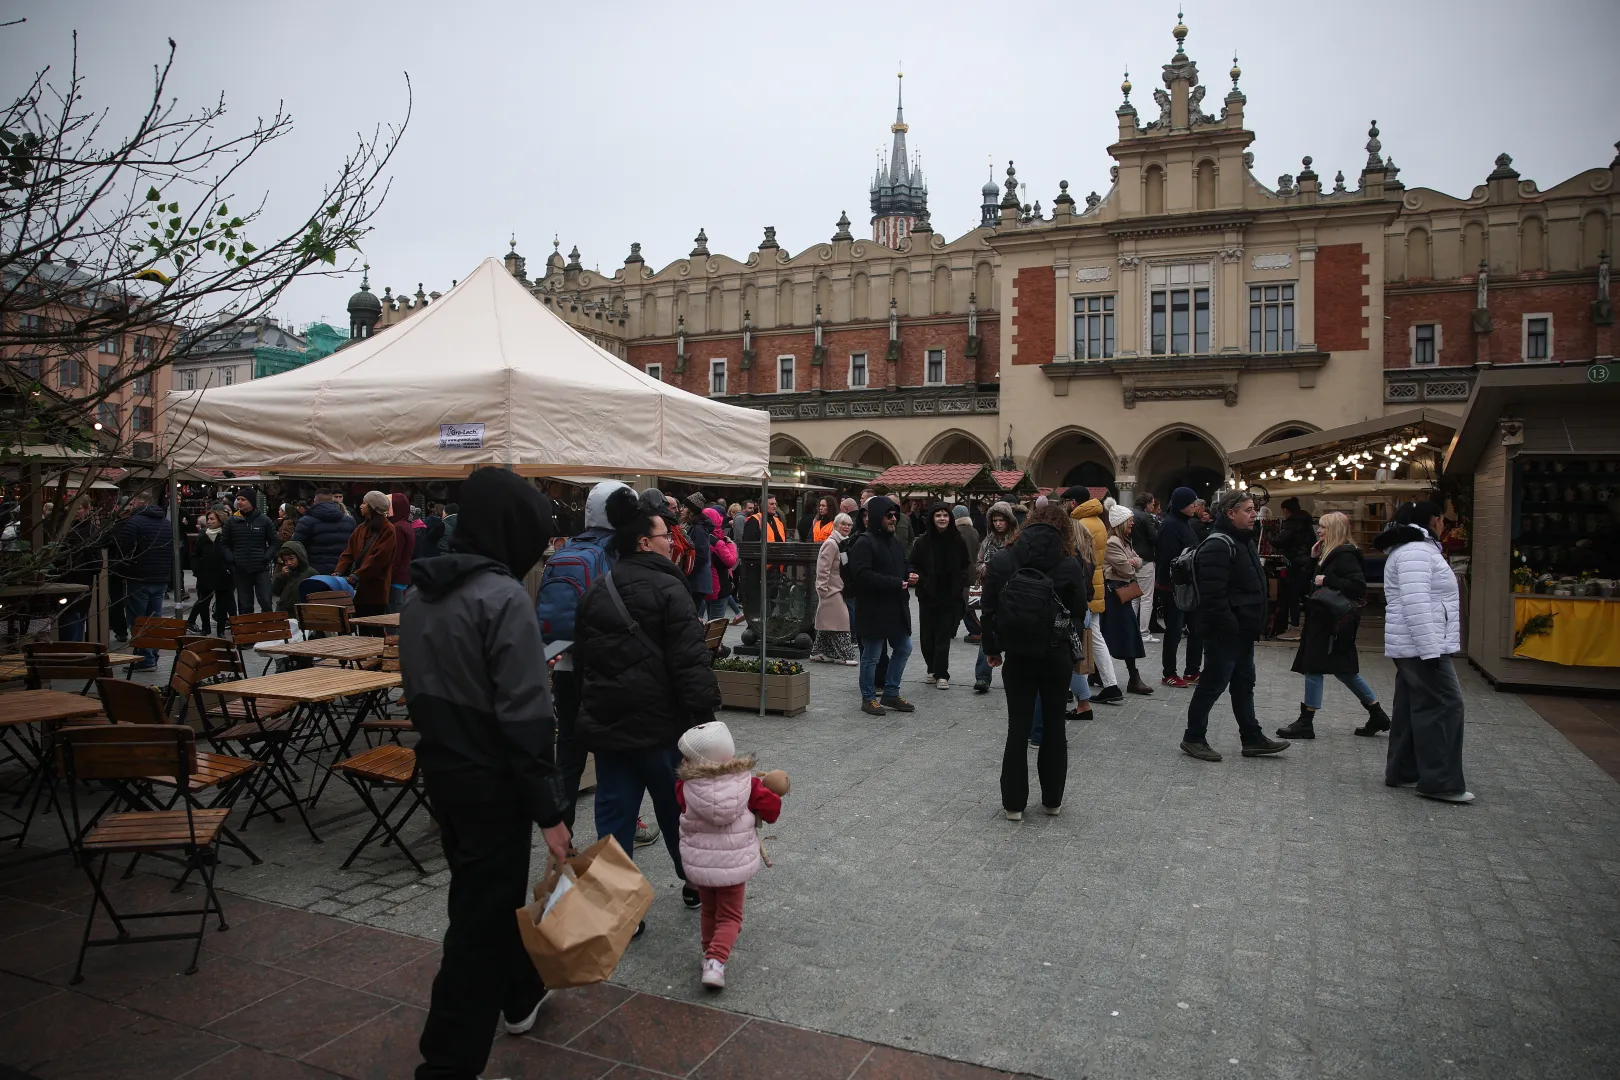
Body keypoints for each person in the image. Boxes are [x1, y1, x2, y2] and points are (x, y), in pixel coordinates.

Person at [398, 467, 573, 1080]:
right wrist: (550, 810)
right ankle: (446, 1063)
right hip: (493, 783)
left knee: (484, 897)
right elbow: (527, 717)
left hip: (443, 772)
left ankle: (520, 993)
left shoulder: (419, 595)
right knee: (478, 922)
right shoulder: (503, 599)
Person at [575, 486, 722, 909]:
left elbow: (584, 662)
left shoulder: (596, 590)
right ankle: (693, 881)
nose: (671, 543)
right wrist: (706, 722)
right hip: (663, 728)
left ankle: (618, 907)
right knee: (678, 810)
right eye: (664, 536)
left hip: (610, 729)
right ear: (644, 542)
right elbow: (690, 662)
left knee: (613, 817)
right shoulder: (671, 590)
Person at [981, 500, 1089, 820]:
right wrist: (1069, 642)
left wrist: (992, 648)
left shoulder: (1003, 558)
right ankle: (1052, 800)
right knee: (1055, 725)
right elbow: (1079, 612)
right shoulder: (1069, 563)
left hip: (1017, 653)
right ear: (1064, 529)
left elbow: (988, 609)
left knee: (1017, 727)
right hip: (1055, 654)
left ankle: (1014, 804)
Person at [1178, 490, 1290, 762]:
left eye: (1253, 510)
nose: (1254, 515)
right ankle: (1193, 737)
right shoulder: (1218, 545)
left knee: (1243, 684)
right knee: (1212, 684)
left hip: (1242, 631)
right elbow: (1213, 596)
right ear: (1231, 513)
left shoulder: (1243, 540)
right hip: (1225, 633)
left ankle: (1252, 737)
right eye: (1248, 510)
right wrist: (1230, 627)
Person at [1375, 500, 1471, 803]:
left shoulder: (1414, 549)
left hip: (1416, 644)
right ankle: (1440, 782)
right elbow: (1415, 604)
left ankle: (1404, 770)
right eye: (1442, 519)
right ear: (1433, 520)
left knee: (1412, 705)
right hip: (1422, 646)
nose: (1444, 524)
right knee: (1444, 706)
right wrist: (1430, 650)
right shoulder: (1417, 551)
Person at [674, 721, 782, 990]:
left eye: (686, 758)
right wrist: (772, 795)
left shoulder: (684, 787)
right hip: (733, 867)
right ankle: (715, 961)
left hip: (700, 866)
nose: (682, 762)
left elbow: (683, 805)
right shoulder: (749, 784)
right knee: (731, 917)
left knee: (709, 910)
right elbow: (771, 811)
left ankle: (707, 952)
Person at [1274, 512, 1390, 740]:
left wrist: (1327, 580)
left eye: (1324, 527)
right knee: (1343, 670)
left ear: (1335, 529)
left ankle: (1306, 722)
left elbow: (1357, 586)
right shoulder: (1331, 553)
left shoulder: (1344, 555)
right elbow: (1310, 584)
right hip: (1327, 621)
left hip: (1330, 623)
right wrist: (1313, 559)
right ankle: (1377, 713)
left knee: (1314, 666)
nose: (1319, 530)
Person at [847, 495, 916, 717]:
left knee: (904, 647)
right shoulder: (864, 542)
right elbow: (861, 575)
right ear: (878, 517)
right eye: (889, 515)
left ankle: (891, 693)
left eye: (895, 515)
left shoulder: (893, 540)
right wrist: (894, 583)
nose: (893, 519)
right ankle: (868, 698)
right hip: (873, 609)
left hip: (895, 607)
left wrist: (910, 573)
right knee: (872, 655)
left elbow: (903, 564)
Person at [1064, 488, 1123, 706]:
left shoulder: (1081, 524)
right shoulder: (1097, 520)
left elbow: (1078, 560)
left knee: (1078, 636)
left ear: (1073, 502)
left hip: (1085, 586)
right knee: (1094, 636)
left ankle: (1082, 686)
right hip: (1096, 584)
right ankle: (1109, 684)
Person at [909, 503, 970, 690]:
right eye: (938, 515)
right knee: (927, 636)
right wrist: (919, 579)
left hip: (949, 595)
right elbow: (913, 564)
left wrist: (960, 585)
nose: (942, 519)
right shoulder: (922, 542)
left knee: (943, 635)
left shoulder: (958, 540)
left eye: (945, 515)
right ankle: (931, 668)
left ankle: (942, 673)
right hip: (928, 594)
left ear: (950, 518)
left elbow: (965, 565)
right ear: (932, 518)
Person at [114, 492, 173, 670]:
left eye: (132, 503)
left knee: (138, 620)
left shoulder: (134, 523)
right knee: (154, 619)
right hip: (161, 577)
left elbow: (124, 551)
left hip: (138, 578)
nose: (130, 506)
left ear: (139, 502)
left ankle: (145, 658)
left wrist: (122, 573)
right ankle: (152, 654)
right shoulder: (166, 523)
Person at [1102, 502, 1153, 696]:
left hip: (1120, 593)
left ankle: (1100, 674)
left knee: (1117, 634)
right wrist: (1132, 563)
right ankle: (1133, 678)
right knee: (1123, 633)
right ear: (1120, 522)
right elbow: (1128, 569)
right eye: (1129, 520)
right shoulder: (1113, 542)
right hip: (1115, 594)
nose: (1132, 523)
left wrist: (1133, 562)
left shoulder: (1124, 541)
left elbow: (1137, 561)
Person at [1156, 487, 1205, 688]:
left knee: (1196, 628)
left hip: (1190, 585)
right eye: (1191, 503)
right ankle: (1169, 673)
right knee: (1174, 631)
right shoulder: (1169, 525)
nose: (1195, 506)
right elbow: (1169, 558)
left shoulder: (1186, 523)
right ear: (1181, 504)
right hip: (1173, 587)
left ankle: (1192, 670)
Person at [973, 502, 1019, 693]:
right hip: (991, 593)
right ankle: (983, 677)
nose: (998, 523)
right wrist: (985, 568)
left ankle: (1015, 677)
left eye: (1001, 520)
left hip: (1013, 594)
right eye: (995, 520)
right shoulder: (988, 540)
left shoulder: (1017, 540)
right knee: (988, 631)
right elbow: (978, 563)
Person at [335, 490, 398, 620]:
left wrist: (357, 575)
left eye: (364, 503)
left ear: (373, 508)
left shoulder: (388, 530)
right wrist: (338, 571)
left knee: (374, 627)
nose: (361, 506)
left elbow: (379, 559)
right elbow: (349, 552)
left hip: (375, 591)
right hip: (357, 590)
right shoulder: (361, 528)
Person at [811, 512, 857, 664]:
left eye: (849, 524)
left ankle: (819, 652)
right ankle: (845, 655)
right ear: (836, 525)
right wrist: (822, 589)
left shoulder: (842, 543)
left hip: (837, 588)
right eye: (843, 524)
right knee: (841, 621)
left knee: (828, 622)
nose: (847, 527)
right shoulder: (831, 543)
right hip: (831, 590)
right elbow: (823, 568)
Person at [222, 492, 277, 614]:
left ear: (251, 501)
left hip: (260, 568)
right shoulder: (231, 522)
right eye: (238, 499)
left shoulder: (264, 520)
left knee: (265, 601)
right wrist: (232, 559)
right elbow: (224, 544)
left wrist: (266, 557)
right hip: (241, 569)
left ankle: (268, 624)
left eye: (243, 499)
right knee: (245, 605)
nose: (239, 502)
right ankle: (247, 625)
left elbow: (274, 542)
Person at [58, 502, 104, 642]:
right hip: (67, 581)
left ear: (86, 509)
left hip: (82, 580)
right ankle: (74, 651)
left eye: (78, 508)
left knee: (76, 619)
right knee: (72, 619)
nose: (75, 512)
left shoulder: (91, 530)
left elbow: (97, 562)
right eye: (72, 509)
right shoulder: (63, 530)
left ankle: (75, 651)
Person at [186, 508, 235, 636]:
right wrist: (197, 569)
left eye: (212, 519)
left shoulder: (226, 535)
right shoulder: (203, 534)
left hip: (223, 574)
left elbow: (231, 552)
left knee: (222, 604)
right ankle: (205, 628)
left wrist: (230, 568)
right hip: (205, 574)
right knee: (203, 602)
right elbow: (195, 554)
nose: (209, 521)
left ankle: (220, 631)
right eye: (208, 519)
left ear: (220, 520)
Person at [1276, 497, 1317, 638]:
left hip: (1296, 564)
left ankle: (1294, 628)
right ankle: (1310, 628)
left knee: (1293, 596)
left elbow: (1280, 540)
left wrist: (1269, 536)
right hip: (1307, 563)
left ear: (1285, 510)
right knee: (1305, 596)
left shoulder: (1293, 523)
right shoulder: (1306, 522)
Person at [292, 490, 358, 576]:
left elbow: (295, 547)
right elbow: (355, 547)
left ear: (314, 501)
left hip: (314, 572)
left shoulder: (306, 522)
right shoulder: (349, 521)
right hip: (343, 571)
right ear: (332, 501)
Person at [1131, 493, 1160, 641]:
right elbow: (1154, 537)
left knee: (1134, 598)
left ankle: (1131, 630)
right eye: (1152, 504)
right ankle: (1144, 632)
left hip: (1131, 558)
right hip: (1146, 559)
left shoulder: (1130, 514)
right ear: (1146, 504)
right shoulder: (1146, 517)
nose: (1153, 506)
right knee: (1146, 598)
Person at [704, 507, 739, 623]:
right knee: (715, 624)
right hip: (719, 587)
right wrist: (730, 544)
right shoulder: (717, 542)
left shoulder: (701, 536)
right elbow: (731, 561)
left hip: (706, 585)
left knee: (710, 620)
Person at [953, 505, 982, 643]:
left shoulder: (955, 532)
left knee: (965, 606)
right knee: (963, 603)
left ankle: (977, 631)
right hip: (973, 573)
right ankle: (950, 629)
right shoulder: (974, 531)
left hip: (960, 574)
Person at [680, 493, 713, 608]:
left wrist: (686, 570)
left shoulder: (699, 528)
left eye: (684, 507)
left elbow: (701, 555)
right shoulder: (692, 526)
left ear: (692, 511)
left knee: (691, 612)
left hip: (696, 582)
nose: (681, 510)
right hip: (695, 581)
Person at [387, 493, 415, 613]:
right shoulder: (406, 525)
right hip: (403, 575)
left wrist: (388, 576)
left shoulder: (397, 527)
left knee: (394, 610)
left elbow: (395, 556)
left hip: (396, 578)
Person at [271, 540, 316, 613]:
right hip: (284, 613)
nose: (289, 563)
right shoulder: (285, 573)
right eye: (285, 561)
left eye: (291, 559)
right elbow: (275, 591)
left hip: (301, 612)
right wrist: (281, 576)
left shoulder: (311, 573)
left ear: (299, 557)